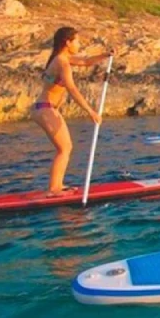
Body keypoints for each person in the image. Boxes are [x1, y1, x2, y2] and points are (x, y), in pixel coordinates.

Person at [32, 26, 113, 195]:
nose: (79, 44)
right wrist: (91, 112)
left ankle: (57, 186)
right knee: (64, 149)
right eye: (76, 41)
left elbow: (85, 61)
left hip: (45, 109)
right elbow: (72, 89)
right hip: (46, 109)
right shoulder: (62, 63)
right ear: (67, 42)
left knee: (66, 148)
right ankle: (54, 189)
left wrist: (106, 55)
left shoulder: (62, 58)